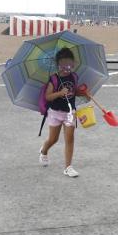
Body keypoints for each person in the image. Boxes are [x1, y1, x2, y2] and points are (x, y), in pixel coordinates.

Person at [39, 47, 85, 177]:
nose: (67, 68)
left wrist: (83, 92)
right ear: (58, 65)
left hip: (70, 112)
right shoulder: (53, 79)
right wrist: (60, 93)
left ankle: (68, 167)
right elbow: (47, 97)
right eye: (63, 65)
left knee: (70, 139)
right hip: (55, 112)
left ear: (73, 64)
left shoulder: (74, 76)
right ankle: (44, 150)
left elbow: (74, 91)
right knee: (53, 139)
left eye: (70, 64)